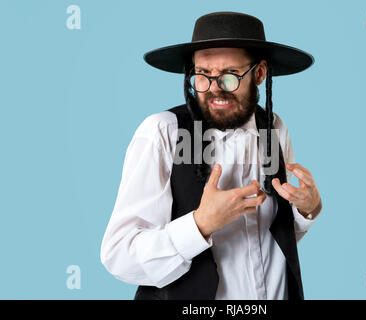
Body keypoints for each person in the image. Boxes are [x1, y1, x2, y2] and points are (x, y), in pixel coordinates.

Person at [101, 11, 322, 300]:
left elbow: (270, 238)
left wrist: (307, 210)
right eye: (203, 75)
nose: (215, 89)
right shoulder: (163, 133)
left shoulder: (274, 128)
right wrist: (200, 224)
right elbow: (120, 256)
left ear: (259, 73)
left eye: (229, 75)